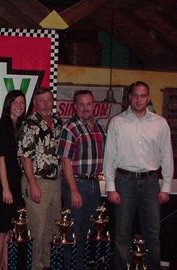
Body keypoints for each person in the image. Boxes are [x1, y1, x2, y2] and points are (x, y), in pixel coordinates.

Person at [104, 81, 174, 270]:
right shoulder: (117, 122)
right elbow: (109, 156)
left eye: (143, 96)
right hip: (124, 181)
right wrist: (110, 187)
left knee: (152, 231)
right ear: (129, 98)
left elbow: (166, 155)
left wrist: (166, 186)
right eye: (135, 95)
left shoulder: (160, 123)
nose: (139, 99)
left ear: (148, 98)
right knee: (122, 232)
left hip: (151, 182)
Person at [57, 90, 106, 269]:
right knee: (73, 231)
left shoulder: (99, 128)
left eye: (89, 104)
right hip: (76, 184)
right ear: (75, 106)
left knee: (88, 230)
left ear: (94, 105)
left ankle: (82, 265)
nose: (86, 108)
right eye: (81, 104)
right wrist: (73, 190)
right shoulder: (70, 128)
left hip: (94, 184)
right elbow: (65, 161)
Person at [17, 87, 62, 270]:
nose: (45, 104)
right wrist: (33, 184)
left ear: (53, 102)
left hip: (56, 182)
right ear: (35, 104)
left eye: (48, 100)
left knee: (53, 227)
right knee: (38, 229)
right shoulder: (29, 124)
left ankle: (48, 265)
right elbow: (25, 156)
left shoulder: (58, 122)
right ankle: (35, 266)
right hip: (36, 181)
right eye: (41, 101)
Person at [0, 90, 26, 270]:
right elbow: (0, 158)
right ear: (8, 105)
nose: (19, 106)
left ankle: (5, 265)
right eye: (15, 103)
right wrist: (5, 188)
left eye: (22, 103)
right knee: (0, 229)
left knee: (10, 229)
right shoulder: (3, 125)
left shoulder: (20, 126)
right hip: (6, 183)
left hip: (17, 183)